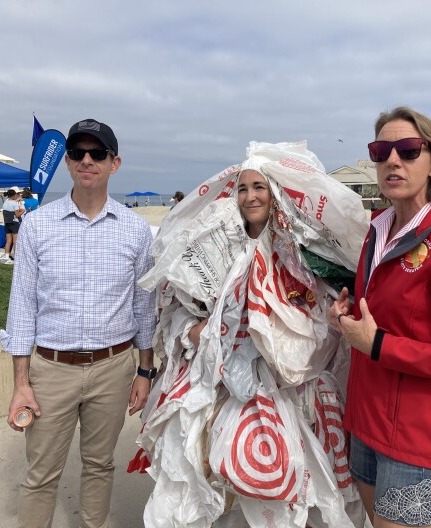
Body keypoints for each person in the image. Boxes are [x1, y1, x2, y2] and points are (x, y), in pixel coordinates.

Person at [135, 142, 368, 527]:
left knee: (289, 477)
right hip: (225, 384)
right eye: (243, 188)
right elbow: (177, 312)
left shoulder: (300, 249)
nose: (250, 195)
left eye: (259, 187)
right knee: (225, 473)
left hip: (290, 388)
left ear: (274, 192)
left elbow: (320, 314)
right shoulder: (217, 245)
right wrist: (196, 333)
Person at [329, 107, 431, 527]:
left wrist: (377, 343)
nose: (392, 160)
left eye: (408, 149)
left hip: (415, 439)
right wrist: (346, 319)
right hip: (365, 421)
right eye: (381, 150)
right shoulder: (376, 230)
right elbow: (379, 316)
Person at [0, 118, 157, 528]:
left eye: (97, 153)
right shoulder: (37, 225)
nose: (87, 160)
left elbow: (144, 307)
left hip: (113, 368)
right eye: (78, 153)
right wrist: (21, 382)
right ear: (68, 161)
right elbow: (21, 308)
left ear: (114, 163)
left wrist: (145, 370)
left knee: (100, 465)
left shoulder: (137, 231)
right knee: (40, 475)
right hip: (51, 370)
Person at [2, 188, 25, 260]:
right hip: (14, 223)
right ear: (14, 195)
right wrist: (23, 211)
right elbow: (17, 215)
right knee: (15, 241)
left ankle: (6, 257)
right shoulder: (14, 203)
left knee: (8, 241)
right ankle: (17, 257)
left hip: (7, 223)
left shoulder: (5, 203)